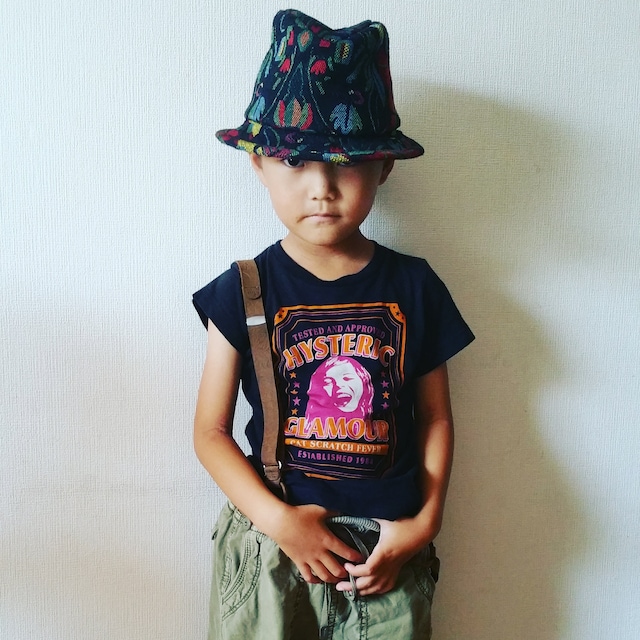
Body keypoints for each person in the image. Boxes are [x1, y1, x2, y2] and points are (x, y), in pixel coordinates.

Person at [193, 9, 474, 639]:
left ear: (384, 167)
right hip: (272, 545)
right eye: (296, 162)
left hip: (386, 552)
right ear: (258, 163)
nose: (320, 187)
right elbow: (210, 432)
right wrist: (278, 521)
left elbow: (435, 417)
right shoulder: (243, 290)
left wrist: (425, 523)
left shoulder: (414, 287)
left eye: (345, 164)